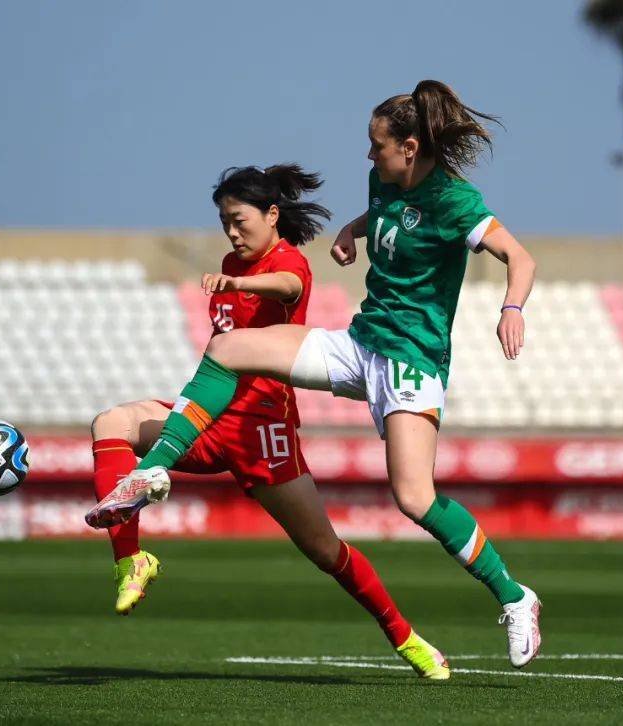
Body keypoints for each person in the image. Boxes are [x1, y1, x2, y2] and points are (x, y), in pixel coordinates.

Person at [88, 80, 542, 669]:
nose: (368, 155)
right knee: (228, 348)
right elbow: (390, 213)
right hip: (360, 344)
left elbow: (520, 257)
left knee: (414, 498)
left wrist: (511, 308)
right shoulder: (385, 179)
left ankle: (515, 597)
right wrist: (354, 228)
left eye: (377, 146)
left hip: (411, 361)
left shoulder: (457, 201)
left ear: (409, 148)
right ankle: (152, 471)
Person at [89, 164, 450, 679]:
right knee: (111, 423)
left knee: (326, 551)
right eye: (224, 223)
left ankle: (405, 637)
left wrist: (240, 280)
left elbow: (286, 286)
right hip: (205, 421)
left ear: (272, 214)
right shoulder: (230, 262)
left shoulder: (287, 262)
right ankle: (131, 561)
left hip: (263, 433)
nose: (232, 233)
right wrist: (234, 273)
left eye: (239, 221)